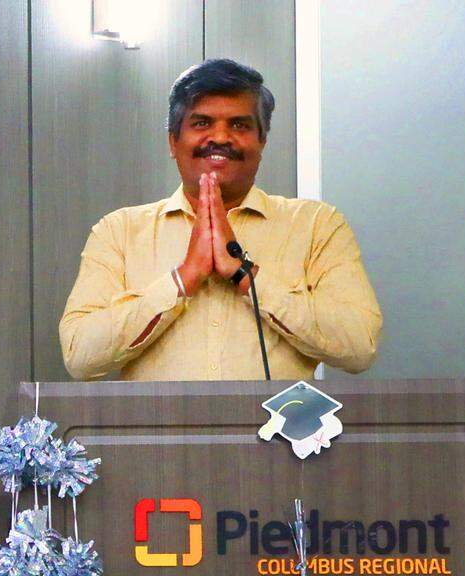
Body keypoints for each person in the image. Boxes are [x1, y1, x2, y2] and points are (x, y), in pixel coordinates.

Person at [60, 58, 382, 381]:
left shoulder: (317, 226)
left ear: (262, 142)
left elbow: (359, 344)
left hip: (275, 433)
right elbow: (79, 353)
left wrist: (245, 274)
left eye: (239, 125)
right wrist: (184, 278)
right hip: (159, 431)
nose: (221, 137)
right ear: (173, 141)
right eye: (201, 123)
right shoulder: (119, 232)